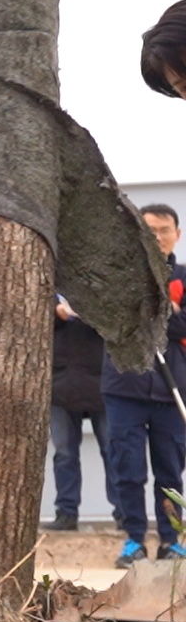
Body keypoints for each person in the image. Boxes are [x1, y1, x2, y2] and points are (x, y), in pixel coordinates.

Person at [100, 204, 186, 567]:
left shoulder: (183, 277)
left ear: (176, 234)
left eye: (163, 229)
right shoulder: (118, 278)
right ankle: (134, 538)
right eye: (148, 230)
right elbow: (110, 323)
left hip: (171, 389)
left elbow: (181, 329)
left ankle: (171, 539)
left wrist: (159, 313)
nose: (156, 237)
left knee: (169, 470)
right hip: (125, 387)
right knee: (128, 467)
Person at [49, 290, 112, 531]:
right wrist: (56, 313)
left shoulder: (101, 279)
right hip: (60, 381)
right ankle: (66, 512)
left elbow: (118, 316)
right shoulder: (48, 276)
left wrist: (86, 312)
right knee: (64, 452)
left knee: (113, 450)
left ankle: (124, 514)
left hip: (102, 380)